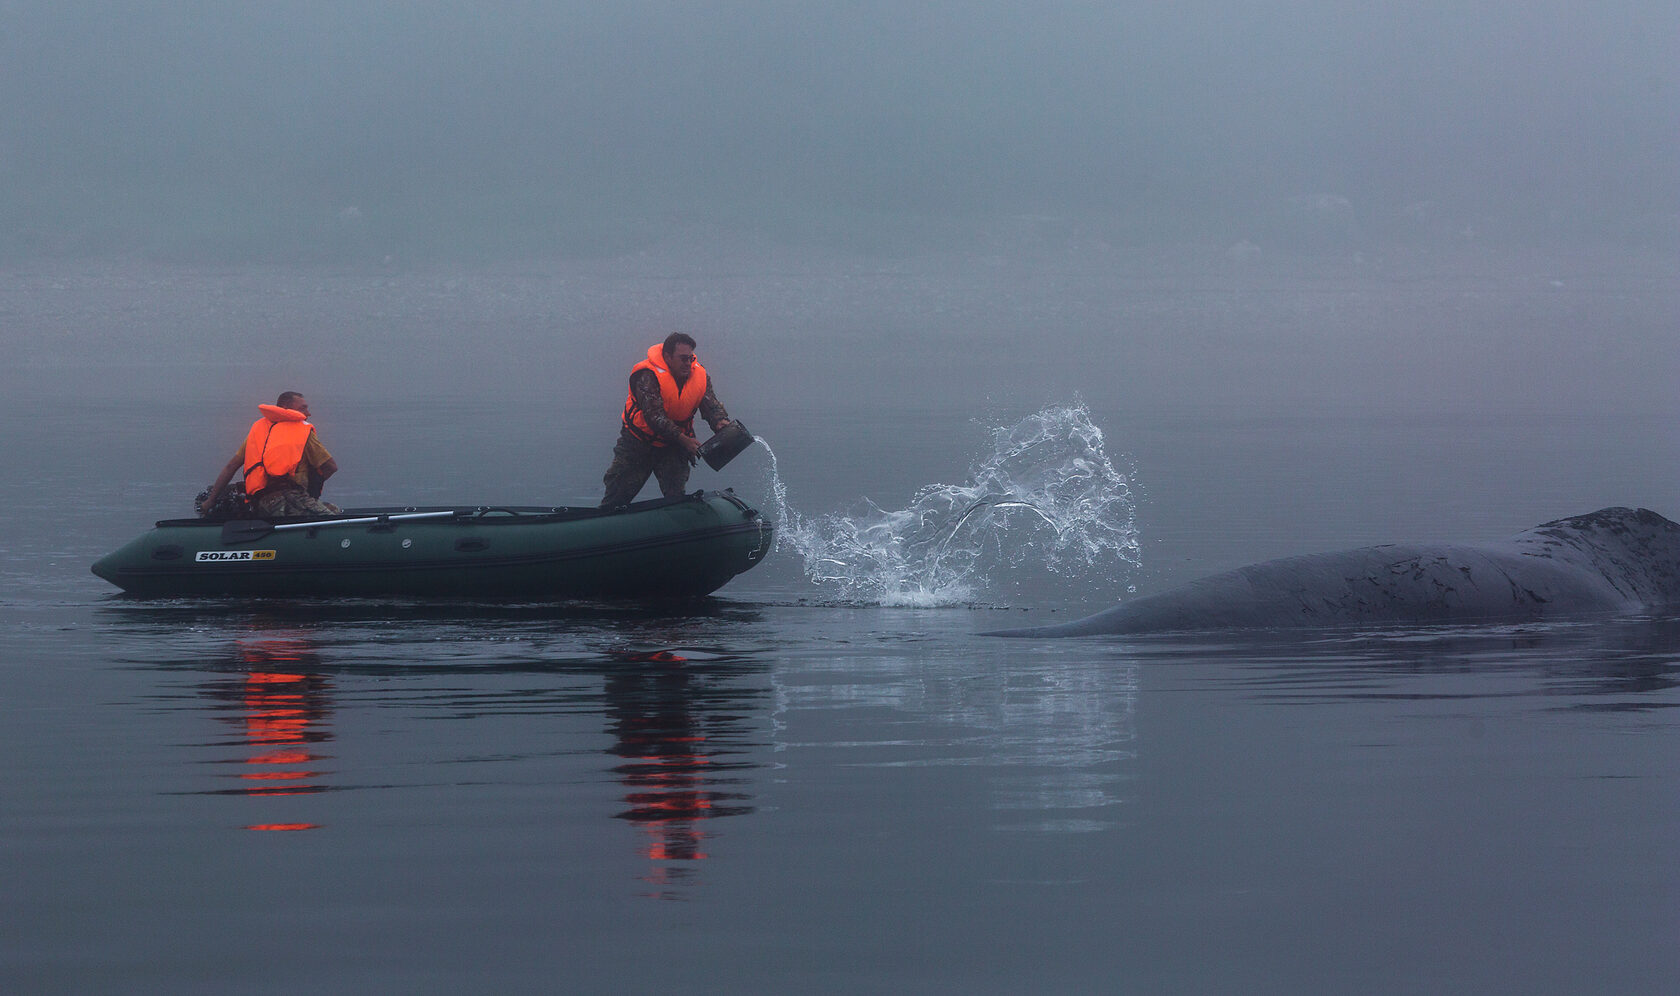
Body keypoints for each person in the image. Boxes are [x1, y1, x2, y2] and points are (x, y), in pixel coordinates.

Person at [600, 332, 732, 508]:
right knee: (616, 497)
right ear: (667, 356)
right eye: (683, 358)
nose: (687, 363)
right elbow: (654, 417)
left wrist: (720, 421)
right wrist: (685, 440)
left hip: (672, 447)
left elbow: (710, 403)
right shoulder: (647, 375)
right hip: (638, 443)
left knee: (676, 497)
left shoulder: (699, 375)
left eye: (690, 358)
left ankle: (677, 526)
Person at [201, 392, 341, 518]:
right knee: (332, 521)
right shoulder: (303, 431)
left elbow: (230, 466)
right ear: (286, 408)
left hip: (261, 502)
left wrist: (210, 501)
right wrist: (312, 491)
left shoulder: (258, 431)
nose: (308, 413)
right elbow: (331, 467)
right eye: (303, 408)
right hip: (289, 497)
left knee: (335, 509)